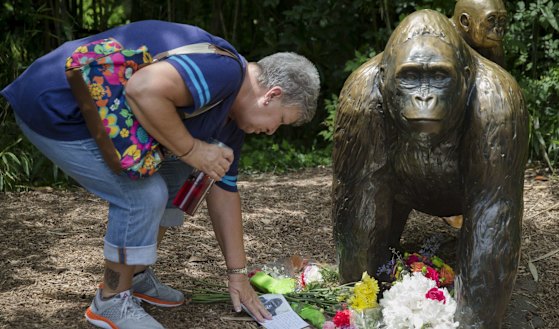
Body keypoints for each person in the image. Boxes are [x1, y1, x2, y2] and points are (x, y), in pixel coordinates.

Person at [1, 20, 320, 329]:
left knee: (179, 172)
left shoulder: (232, 120)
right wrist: (193, 150)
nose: (271, 131)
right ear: (272, 95)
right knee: (143, 194)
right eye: (280, 121)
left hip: (94, 115)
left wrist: (237, 273)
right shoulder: (223, 72)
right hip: (55, 107)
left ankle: (135, 275)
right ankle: (110, 300)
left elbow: (224, 191)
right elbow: (143, 89)